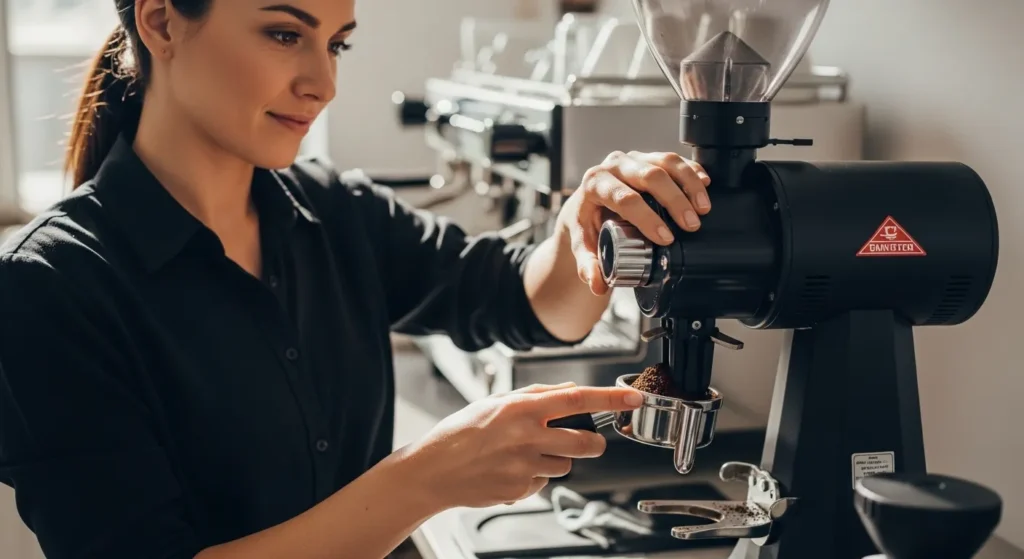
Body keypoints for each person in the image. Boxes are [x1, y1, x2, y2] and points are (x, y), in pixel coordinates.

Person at [0, 0, 713, 558]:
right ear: (161, 20)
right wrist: (430, 474)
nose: (325, 83)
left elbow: (519, 298)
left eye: (336, 43)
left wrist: (581, 225)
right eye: (286, 34)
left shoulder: (334, 213)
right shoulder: (48, 287)